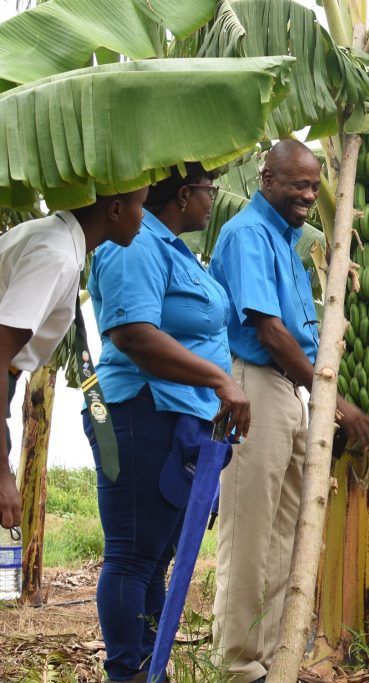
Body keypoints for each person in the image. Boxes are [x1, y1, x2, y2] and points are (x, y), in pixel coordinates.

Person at [209, 140, 369, 682]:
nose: (308, 195)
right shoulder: (248, 234)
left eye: (313, 185)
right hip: (252, 385)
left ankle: (273, 658)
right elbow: (267, 329)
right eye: (297, 184)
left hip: (287, 392)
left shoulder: (288, 239)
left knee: (286, 533)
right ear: (267, 179)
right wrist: (331, 399)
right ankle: (238, 665)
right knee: (250, 531)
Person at [86, 165, 250, 682]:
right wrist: (220, 381)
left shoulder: (175, 250)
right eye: (209, 190)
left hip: (180, 417)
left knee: (155, 559)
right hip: (137, 408)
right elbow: (133, 334)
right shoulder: (133, 243)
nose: (212, 200)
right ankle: (126, 670)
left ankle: (149, 668)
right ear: (183, 194)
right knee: (132, 555)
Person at [0, 189, 147, 531]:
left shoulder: (52, 237)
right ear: (114, 209)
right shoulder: (57, 256)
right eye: (139, 206)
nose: (143, 217)